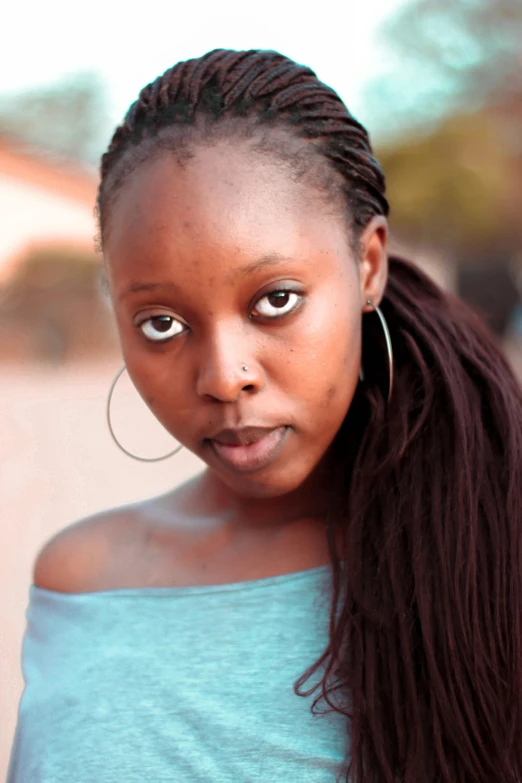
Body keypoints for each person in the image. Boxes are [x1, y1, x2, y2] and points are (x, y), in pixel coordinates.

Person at [8, 49, 522, 783]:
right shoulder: (81, 582)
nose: (224, 377)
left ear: (368, 265)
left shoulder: (492, 536)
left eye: (274, 300)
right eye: (160, 323)